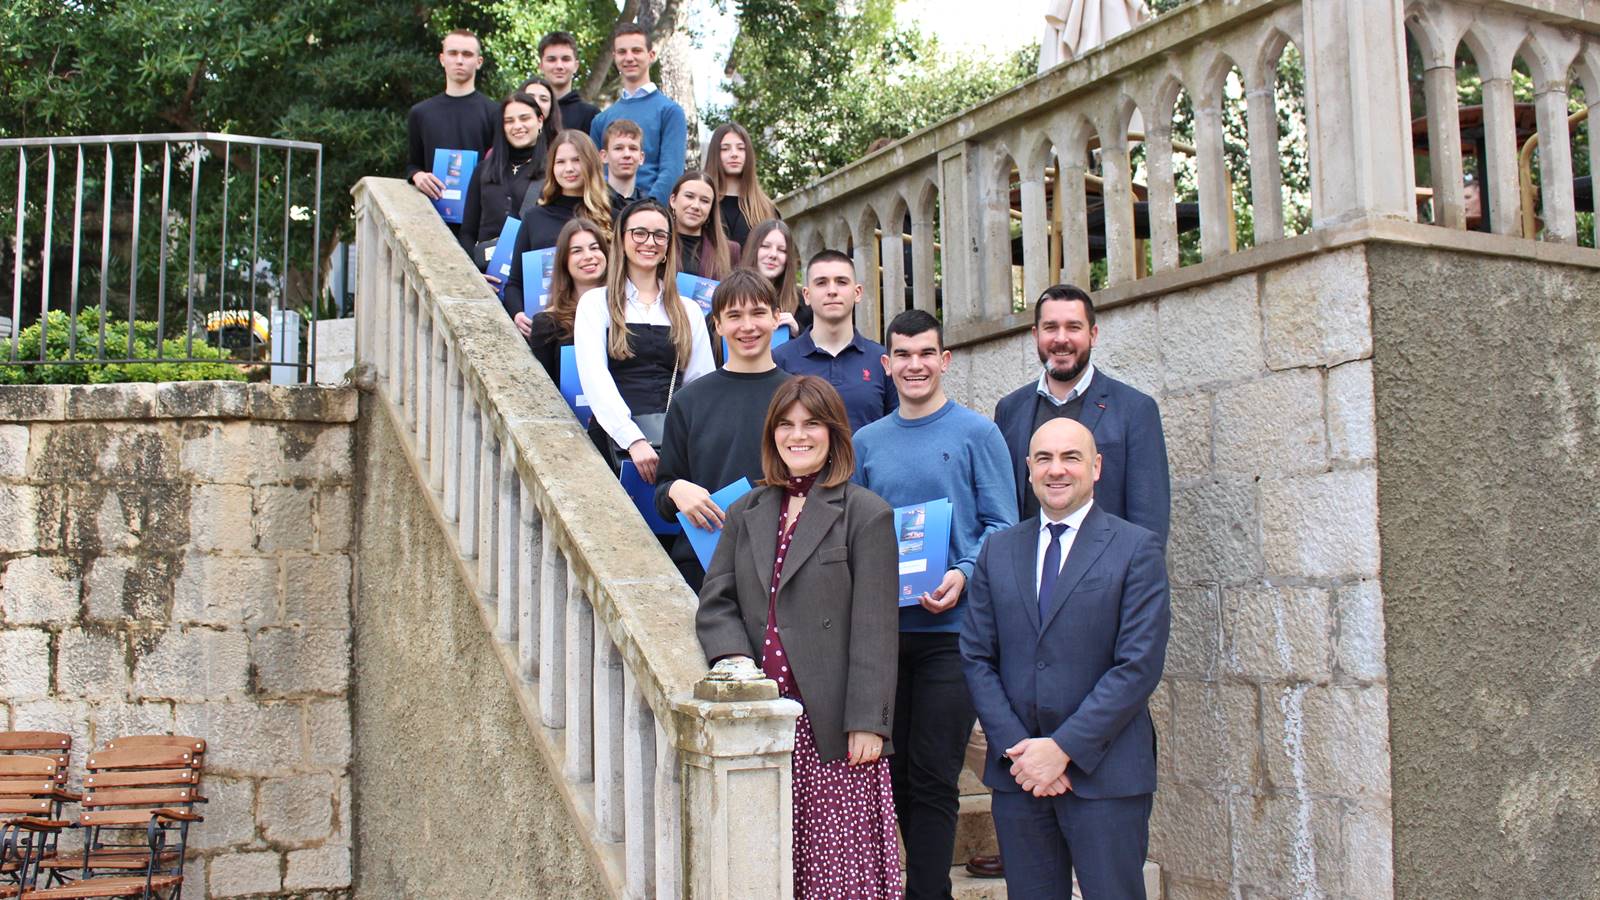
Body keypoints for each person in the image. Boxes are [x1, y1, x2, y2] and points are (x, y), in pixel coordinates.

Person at [695, 375, 902, 899]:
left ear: (834, 433)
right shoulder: (745, 512)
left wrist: (868, 722)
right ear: (772, 435)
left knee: (836, 876)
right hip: (763, 716)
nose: (798, 435)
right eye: (786, 425)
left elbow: (876, 628)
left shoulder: (866, 513)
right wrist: (736, 663)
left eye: (812, 423)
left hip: (831, 727)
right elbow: (716, 601)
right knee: (764, 867)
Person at [960, 418, 1170, 900]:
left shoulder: (1136, 548)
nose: (1057, 470)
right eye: (1044, 459)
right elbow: (975, 655)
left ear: (1096, 468)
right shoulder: (998, 550)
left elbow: (1137, 665)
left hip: (1105, 774)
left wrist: (1062, 749)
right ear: (1028, 468)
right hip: (1019, 775)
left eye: (1071, 457)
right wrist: (1019, 747)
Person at [852, 308, 1017, 900]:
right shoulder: (866, 443)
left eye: (927, 353)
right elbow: (854, 531)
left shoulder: (978, 434)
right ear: (886, 364)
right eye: (903, 354)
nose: (915, 365)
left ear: (945, 360)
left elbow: (1003, 522)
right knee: (893, 771)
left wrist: (963, 572)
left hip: (953, 634)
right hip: (884, 636)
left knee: (933, 772)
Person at [992, 284, 1170, 541]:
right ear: (1036, 335)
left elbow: (1149, 521)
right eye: (1050, 327)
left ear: (1093, 335)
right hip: (1028, 565)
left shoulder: (1135, 410)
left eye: (1073, 327)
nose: (1061, 339)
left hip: (1108, 565)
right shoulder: (1010, 410)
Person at [653, 269, 792, 588]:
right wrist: (676, 489)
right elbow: (663, 494)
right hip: (705, 564)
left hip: (782, 565)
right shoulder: (689, 401)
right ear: (717, 324)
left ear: (776, 318)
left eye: (758, 313)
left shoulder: (799, 398)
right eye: (734, 316)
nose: (747, 326)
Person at [573, 198, 713, 480]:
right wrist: (632, 439)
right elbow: (594, 377)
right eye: (640, 233)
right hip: (612, 442)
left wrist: (686, 443)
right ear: (622, 239)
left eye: (660, 235)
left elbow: (700, 384)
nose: (650, 242)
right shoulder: (596, 303)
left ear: (668, 245)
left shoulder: (688, 310)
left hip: (673, 444)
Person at [772, 250, 896, 433]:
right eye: (821, 283)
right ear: (806, 295)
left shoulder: (882, 360)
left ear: (857, 292)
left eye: (841, 282)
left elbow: (896, 430)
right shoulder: (780, 359)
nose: (832, 291)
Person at [501, 131, 613, 317]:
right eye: (560, 162)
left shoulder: (612, 216)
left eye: (576, 160)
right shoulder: (534, 218)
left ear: (591, 163)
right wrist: (518, 314)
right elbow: (514, 283)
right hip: (548, 325)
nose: (569, 168)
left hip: (602, 322)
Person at [405, 29, 500, 232]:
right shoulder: (420, 113)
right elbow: (413, 164)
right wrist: (417, 176)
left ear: (479, 62)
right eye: (453, 53)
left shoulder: (495, 112)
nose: (459, 60)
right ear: (442, 59)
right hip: (432, 220)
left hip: (480, 221)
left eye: (467, 54)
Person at [588, 23, 687, 205]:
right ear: (614, 57)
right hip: (607, 211)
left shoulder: (670, 112)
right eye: (622, 52)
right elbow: (595, 173)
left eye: (636, 50)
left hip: (651, 213)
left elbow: (671, 172)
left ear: (651, 55)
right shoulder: (600, 120)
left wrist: (648, 210)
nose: (629, 57)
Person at [457, 92, 545, 264]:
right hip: (484, 271)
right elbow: (467, 232)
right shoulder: (483, 170)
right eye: (509, 121)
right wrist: (473, 269)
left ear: (540, 121)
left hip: (530, 271)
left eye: (524, 118)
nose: (517, 126)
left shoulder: (554, 172)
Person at [526, 218, 608, 381]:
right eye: (577, 251)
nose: (588, 256)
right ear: (564, 261)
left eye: (594, 248)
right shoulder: (547, 323)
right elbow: (543, 385)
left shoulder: (629, 310)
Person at [704, 122, 779, 248]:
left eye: (741, 148)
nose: (734, 154)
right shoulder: (701, 204)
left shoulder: (766, 209)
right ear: (715, 154)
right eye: (725, 149)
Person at [739, 219, 806, 336]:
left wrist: (798, 332)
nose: (773, 255)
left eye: (782, 250)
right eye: (765, 246)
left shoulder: (804, 302)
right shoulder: (728, 295)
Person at [668, 171, 739, 280]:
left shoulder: (730, 251)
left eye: (704, 201)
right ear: (673, 200)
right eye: (689, 196)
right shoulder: (657, 243)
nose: (696, 206)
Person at [537, 31, 600, 136]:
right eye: (551, 60)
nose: (559, 66)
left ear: (576, 66)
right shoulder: (529, 111)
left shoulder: (591, 116)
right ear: (541, 66)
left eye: (565, 59)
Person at [600, 119, 646, 212]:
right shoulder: (593, 204)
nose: (626, 154)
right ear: (604, 156)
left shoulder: (648, 208)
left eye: (633, 148)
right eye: (618, 148)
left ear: (641, 157)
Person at [517, 76, 565, 151]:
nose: (537, 103)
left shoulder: (561, 145)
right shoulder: (503, 139)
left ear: (551, 107)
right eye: (530, 97)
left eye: (544, 99)